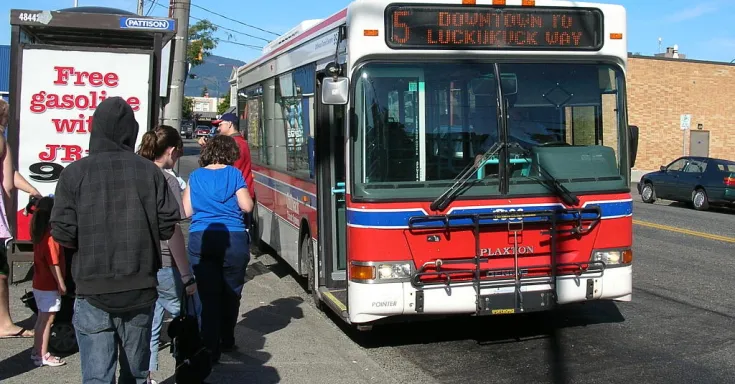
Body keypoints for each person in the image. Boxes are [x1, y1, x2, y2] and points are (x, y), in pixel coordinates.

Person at [50, 97, 181, 383]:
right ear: (130, 132)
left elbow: (62, 233)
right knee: (135, 375)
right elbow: (168, 225)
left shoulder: (74, 173)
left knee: (97, 378)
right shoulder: (150, 173)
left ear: (95, 130)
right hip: (140, 286)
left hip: (92, 286)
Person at [183, 134, 254, 364]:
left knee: (207, 293)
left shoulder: (195, 176)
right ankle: (227, 338)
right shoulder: (234, 174)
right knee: (231, 291)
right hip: (233, 238)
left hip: (201, 237)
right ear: (230, 153)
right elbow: (246, 205)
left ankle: (209, 344)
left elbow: (186, 211)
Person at [137, 125, 198, 384]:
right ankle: (188, 369)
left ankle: (146, 375)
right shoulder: (167, 179)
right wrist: (187, 276)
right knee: (186, 319)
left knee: (148, 325)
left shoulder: (135, 172)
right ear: (171, 150)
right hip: (164, 262)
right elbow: (173, 229)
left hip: (138, 260)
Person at [0, 98, 41, 339]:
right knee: (1, 271)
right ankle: (4, 323)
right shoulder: (1, 140)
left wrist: (29, 188)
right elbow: (6, 182)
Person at [29, 196, 66, 367]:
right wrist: (61, 283)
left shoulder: (38, 234)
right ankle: (43, 354)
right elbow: (54, 263)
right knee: (47, 320)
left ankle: (37, 351)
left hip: (39, 283)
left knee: (41, 319)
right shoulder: (51, 237)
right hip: (49, 285)